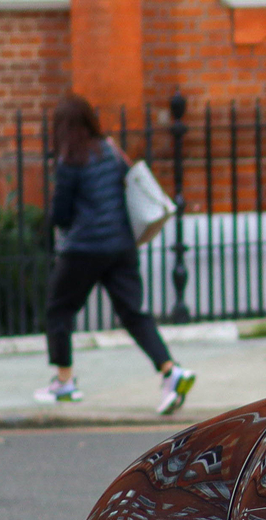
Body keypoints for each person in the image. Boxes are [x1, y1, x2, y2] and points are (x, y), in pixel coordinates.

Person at [34, 94, 197, 414]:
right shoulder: (110, 150)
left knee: (58, 309)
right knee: (133, 313)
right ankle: (170, 370)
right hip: (121, 247)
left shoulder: (69, 161)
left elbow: (61, 215)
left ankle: (64, 383)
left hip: (84, 249)